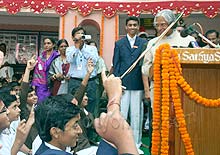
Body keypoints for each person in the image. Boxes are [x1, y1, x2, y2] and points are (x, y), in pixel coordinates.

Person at [141, 9, 196, 151]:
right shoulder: (153, 43)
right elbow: (144, 68)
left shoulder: (187, 40)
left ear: (172, 23)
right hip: (159, 91)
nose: (160, 28)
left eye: (163, 25)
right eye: (157, 25)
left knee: (182, 121)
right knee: (158, 123)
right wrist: (155, 67)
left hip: (182, 90)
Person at [112, 16, 147, 148]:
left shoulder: (144, 43)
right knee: (122, 114)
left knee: (136, 115)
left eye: (135, 25)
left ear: (138, 27)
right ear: (126, 27)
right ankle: (120, 143)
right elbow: (116, 64)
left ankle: (136, 143)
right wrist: (117, 82)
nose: (132, 27)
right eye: (130, 25)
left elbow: (144, 65)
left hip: (138, 84)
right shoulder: (119, 43)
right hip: (124, 83)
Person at [66, 27, 99, 114]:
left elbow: (94, 60)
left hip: (90, 82)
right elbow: (70, 60)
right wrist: (77, 48)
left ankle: (89, 124)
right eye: (78, 34)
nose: (80, 36)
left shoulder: (92, 48)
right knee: (73, 105)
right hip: (75, 82)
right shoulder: (69, 49)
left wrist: (82, 48)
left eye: (82, 34)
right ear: (73, 37)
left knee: (91, 104)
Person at [32, 37, 59, 103]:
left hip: (52, 83)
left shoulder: (57, 56)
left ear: (53, 45)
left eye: (48, 43)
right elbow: (37, 70)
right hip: (40, 85)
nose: (46, 45)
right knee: (40, 103)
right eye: (45, 44)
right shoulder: (41, 57)